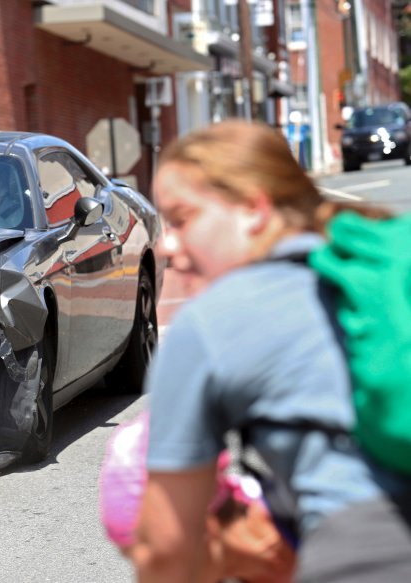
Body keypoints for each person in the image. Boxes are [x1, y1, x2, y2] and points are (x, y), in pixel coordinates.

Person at [127, 121, 411, 582]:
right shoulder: (381, 267)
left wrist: (219, 557)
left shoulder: (211, 324)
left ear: (254, 210)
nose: (167, 246)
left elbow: (168, 551)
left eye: (181, 219)